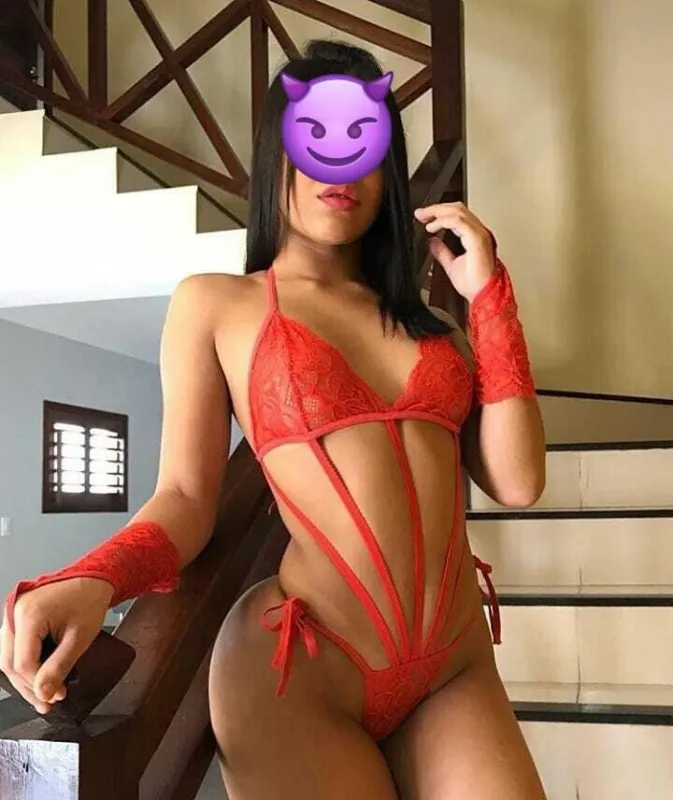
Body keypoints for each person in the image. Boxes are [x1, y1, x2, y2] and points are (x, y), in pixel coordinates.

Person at [0, 39, 547, 799]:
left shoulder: (440, 332)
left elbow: (518, 481)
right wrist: (95, 577)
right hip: (301, 670)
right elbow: (187, 497)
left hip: (451, 667)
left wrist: (489, 297)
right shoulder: (216, 304)